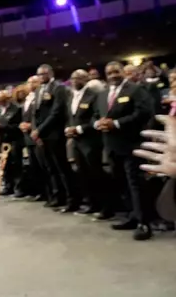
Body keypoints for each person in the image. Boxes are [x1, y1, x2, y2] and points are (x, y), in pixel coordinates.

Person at [94, 61, 153, 240]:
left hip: (131, 145)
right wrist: (97, 123)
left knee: (136, 184)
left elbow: (143, 113)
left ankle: (144, 223)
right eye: (109, 73)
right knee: (123, 184)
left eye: (116, 72)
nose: (113, 75)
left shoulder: (135, 90)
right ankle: (132, 217)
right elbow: (97, 115)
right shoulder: (103, 94)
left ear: (123, 72)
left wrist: (117, 123)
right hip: (111, 146)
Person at [64, 69, 113, 219]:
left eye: (78, 78)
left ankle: (106, 208)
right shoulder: (71, 95)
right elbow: (70, 116)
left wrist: (79, 129)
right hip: (77, 141)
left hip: (91, 140)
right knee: (83, 174)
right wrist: (68, 128)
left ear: (85, 79)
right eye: (72, 78)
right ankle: (92, 204)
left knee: (97, 174)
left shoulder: (94, 95)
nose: (74, 81)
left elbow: (96, 117)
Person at [31, 64, 81, 211]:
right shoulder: (39, 89)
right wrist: (36, 131)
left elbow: (57, 112)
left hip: (55, 134)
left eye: (44, 74)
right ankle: (57, 197)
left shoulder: (59, 88)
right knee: (51, 168)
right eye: (39, 74)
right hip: (43, 135)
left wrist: (39, 130)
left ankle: (72, 200)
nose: (41, 77)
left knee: (62, 168)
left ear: (51, 73)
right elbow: (36, 113)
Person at [0, 90, 23, 196]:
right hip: (2, 140)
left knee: (16, 164)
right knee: (5, 164)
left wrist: (2, 126)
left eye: (1, 100)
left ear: (7, 99)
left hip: (14, 140)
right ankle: (8, 186)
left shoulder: (16, 109)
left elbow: (18, 126)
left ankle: (18, 188)